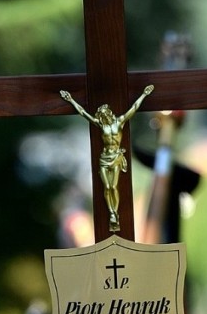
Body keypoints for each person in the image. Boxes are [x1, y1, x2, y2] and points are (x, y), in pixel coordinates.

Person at [60, 84, 155, 231]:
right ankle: (112, 213)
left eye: (105, 113)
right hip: (104, 158)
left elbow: (134, 108)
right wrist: (71, 100)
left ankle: (114, 214)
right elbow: (83, 113)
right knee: (107, 187)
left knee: (113, 186)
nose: (104, 115)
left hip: (116, 157)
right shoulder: (100, 125)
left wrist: (144, 94)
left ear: (109, 113)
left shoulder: (119, 122)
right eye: (102, 114)